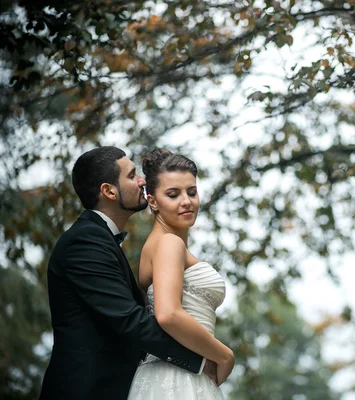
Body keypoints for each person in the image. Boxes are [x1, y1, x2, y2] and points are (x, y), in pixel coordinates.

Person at [40, 146, 213, 400]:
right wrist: (203, 358)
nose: (142, 180)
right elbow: (129, 320)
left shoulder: (101, 239)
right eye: (132, 176)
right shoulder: (85, 241)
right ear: (109, 191)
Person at [127, 149, 234, 399]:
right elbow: (168, 314)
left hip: (173, 372)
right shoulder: (169, 244)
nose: (186, 201)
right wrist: (224, 355)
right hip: (178, 378)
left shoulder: (160, 245)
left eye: (192, 192)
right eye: (173, 194)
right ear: (152, 201)